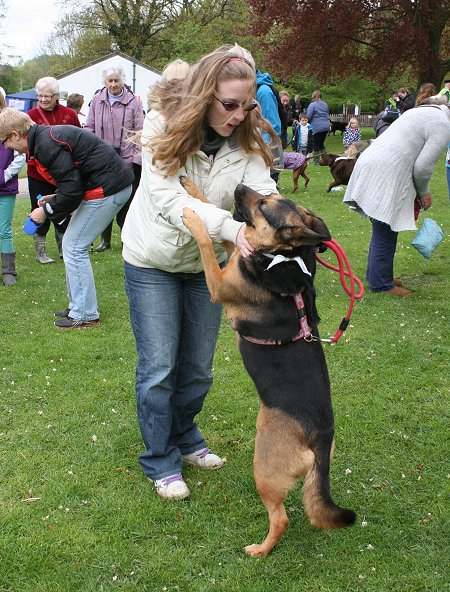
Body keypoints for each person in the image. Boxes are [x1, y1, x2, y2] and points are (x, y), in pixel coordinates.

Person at [122, 45, 278, 500]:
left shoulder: (244, 137)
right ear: (204, 95)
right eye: (228, 104)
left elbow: (261, 192)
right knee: (159, 366)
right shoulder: (161, 125)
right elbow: (172, 202)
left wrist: (278, 223)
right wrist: (232, 227)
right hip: (152, 260)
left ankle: (185, 435)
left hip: (204, 267)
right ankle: (160, 458)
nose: (237, 114)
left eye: (245, 105)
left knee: (197, 368)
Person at [0, 108, 134, 327]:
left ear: (15, 135)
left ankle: (85, 314)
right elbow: (72, 183)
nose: (5, 146)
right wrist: (55, 198)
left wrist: (44, 211)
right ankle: (77, 308)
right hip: (110, 185)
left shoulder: (45, 144)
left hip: (110, 189)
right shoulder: (44, 139)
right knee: (72, 245)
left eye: (4, 140)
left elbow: (72, 192)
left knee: (73, 246)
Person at [343, 96, 450, 296]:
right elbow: (423, 166)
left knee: (383, 228)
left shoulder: (421, 112)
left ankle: (378, 275)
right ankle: (381, 284)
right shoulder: (442, 124)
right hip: (385, 170)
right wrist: (424, 192)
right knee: (385, 227)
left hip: (372, 163)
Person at [85, 66, 144, 252]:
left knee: (127, 201)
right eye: (109, 81)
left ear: (122, 81)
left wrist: (135, 159)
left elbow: (140, 133)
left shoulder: (133, 102)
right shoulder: (96, 101)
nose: (113, 84)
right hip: (102, 159)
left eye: (116, 80)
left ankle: (128, 239)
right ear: (105, 82)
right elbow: (89, 128)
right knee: (104, 199)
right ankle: (105, 240)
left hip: (126, 159)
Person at [27, 77, 81, 264]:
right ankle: (40, 251)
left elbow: (78, 140)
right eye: (40, 96)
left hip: (62, 175)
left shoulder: (69, 115)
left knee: (63, 209)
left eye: (47, 96)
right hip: (38, 174)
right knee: (39, 209)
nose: (43, 100)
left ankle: (63, 248)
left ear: (57, 96)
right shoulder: (31, 115)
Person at [0, 95, 26, 286]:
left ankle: (9, 271)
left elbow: (20, 156)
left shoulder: (9, 123)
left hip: (5, 188)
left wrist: (5, 176)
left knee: (4, 230)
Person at [306, 90, 330, 163]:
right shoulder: (325, 104)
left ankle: (316, 161)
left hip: (317, 127)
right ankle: (325, 159)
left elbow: (308, 117)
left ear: (313, 96)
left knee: (316, 143)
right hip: (326, 126)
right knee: (321, 143)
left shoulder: (312, 105)